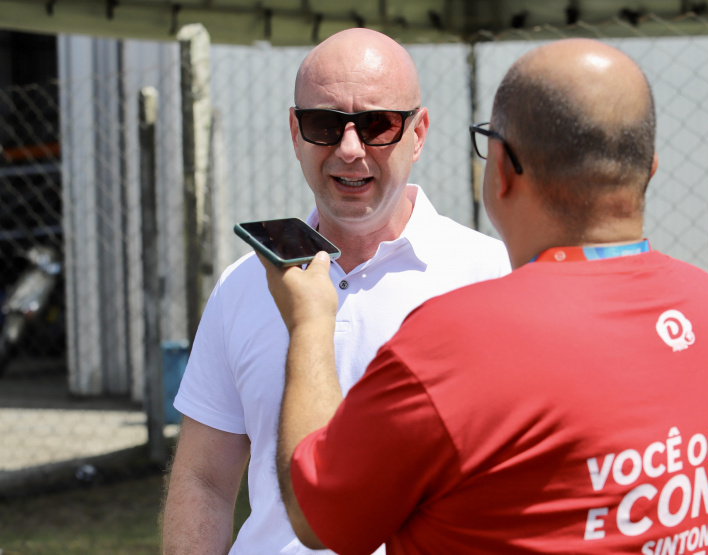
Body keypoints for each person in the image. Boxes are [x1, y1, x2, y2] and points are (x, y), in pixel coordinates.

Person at [261, 38, 708, 554]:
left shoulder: (456, 341)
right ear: (650, 169)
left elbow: (317, 513)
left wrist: (309, 323)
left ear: (503, 170)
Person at [161, 28, 511, 555]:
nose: (350, 149)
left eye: (377, 125)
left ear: (418, 133)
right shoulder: (243, 284)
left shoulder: (490, 277)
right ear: (295, 133)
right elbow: (204, 481)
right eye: (325, 125)